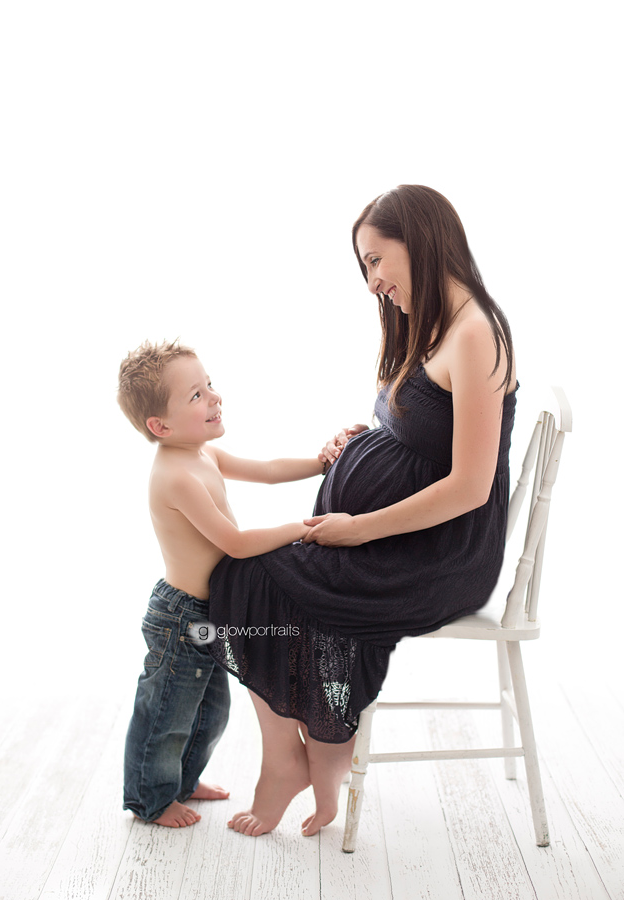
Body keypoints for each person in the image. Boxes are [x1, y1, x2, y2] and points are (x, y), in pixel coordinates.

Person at [207, 184, 518, 838]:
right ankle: (300, 752)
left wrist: (357, 530)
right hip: (396, 540)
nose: (371, 281)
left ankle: (300, 754)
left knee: (251, 573)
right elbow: (421, 432)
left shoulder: (475, 334)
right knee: (242, 569)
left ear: (422, 242)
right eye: (364, 266)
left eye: (376, 260)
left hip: (443, 555)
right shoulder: (425, 324)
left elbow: (468, 487)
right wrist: (366, 440)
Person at [117, 340, 322, 827]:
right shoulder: (176, 475)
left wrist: (322, 462)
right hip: (180, 616)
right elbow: (233, 542)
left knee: (210, 710)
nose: (214, 397)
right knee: (167, 712)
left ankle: (183, 782)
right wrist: (302, 528)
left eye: (209, 385)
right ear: (159, 426)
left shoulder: (203, 452)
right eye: (196, 395)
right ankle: (151, 799)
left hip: (213, 612)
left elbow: (269, 472)